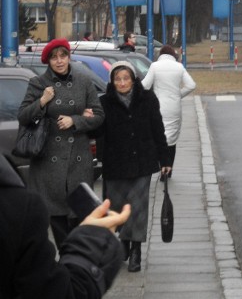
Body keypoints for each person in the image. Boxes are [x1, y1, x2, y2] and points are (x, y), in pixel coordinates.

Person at [0, 153, 131, 299]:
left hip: (74, 170)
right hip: (49, 177)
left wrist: (78, 127)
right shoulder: (18, 207)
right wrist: (91, 242)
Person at [18, 38, 105, 250]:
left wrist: (75, 120)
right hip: (49, 161)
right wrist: (42, 102)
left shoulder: (83, 82)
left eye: (63, 56)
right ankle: (68, 262)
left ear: (69, 57)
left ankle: (74, 262)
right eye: (54, 57)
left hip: (78, 159)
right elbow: (23, 116)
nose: (59, 61)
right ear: (48, 61)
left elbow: (99, 115)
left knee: (79, 213)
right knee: (55, 216)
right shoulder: (38, 84)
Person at [93, 61, 172, 273]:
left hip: (142, 162)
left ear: (133, 79)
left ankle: (136, 250)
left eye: (126, 78)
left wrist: (165, 159)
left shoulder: (147, 99)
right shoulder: (104, 103)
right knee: (117, 207)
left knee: (137, 208)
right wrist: (90, 120)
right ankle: (124, 244)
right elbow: (97, 134)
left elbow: (158, 128)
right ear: (112, 82)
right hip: (115, 163)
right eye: (117, 79)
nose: (122, 83)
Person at [141, 45, 196, 173]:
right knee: (172, 139)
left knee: (159, 136)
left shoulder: (154, 66)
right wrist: (178, 95)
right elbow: (191, 85)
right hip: (174, 107)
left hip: (158, 106)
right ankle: (169, 169)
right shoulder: (179, 67)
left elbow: (145, 85)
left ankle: (161, 165)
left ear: (161, 55)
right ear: (173, 55)